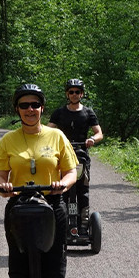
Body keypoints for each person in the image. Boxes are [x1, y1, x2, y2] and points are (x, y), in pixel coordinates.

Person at [0, 83, 78, 278]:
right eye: (24, 105)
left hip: (52, 206)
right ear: (17, 109)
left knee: (53, 273)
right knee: (19, 274)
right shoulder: (9, 140)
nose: (30, 110)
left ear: (42, 108)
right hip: (20, 209)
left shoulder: (56, 137)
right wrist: (3, 187)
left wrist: (63, 184)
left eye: (35, 105)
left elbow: (72, 171)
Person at [48, 79, 103, 232]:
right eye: (71, 92)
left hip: (81, 156)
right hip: (62, 157)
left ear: (82, 94)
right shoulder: (59, 113)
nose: (74, 94)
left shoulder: (88, 112)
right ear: (67, 94)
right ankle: (62, 223)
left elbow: (99, 133)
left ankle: (84, 225)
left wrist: (92, 139)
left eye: (77, 92)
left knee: (82, 190)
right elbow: (48, 131)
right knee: (62, 190)